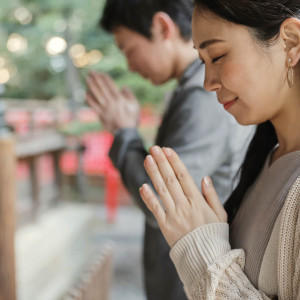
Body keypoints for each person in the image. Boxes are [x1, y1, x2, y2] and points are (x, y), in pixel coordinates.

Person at [86, 0, 253, 299]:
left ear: (162, 27)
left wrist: (125, 133)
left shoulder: (205, 99)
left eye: (128, 49)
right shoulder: (190, 90)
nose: (130, 65)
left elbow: (162, 199)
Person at [139, 0, 300, 299]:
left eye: (218, 56)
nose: (208, 82)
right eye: (203, 61)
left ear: (290, 43)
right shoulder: (268, 159)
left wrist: (203, 256)